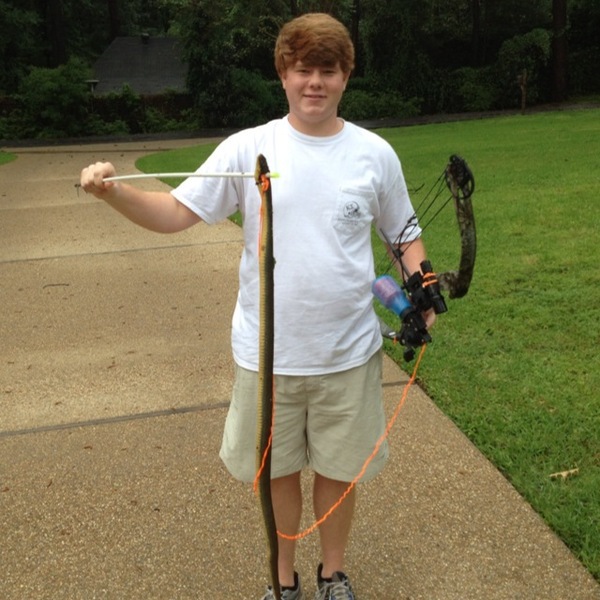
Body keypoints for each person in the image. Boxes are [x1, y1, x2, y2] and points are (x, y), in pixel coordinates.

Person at [80, 12, 434, 600]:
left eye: (328, 70)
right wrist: (114, 192)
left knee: (340, 472)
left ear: (346, 76)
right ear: (283, 74)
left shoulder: (374, 153)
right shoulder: (250, 148)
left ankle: (333, 575)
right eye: (303, 69)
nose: (315, 82)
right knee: (275, 471)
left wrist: (422, 288)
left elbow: (403, 234)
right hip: (267, 355)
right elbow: (174, 213)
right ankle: (283, 579)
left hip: (347, 352)